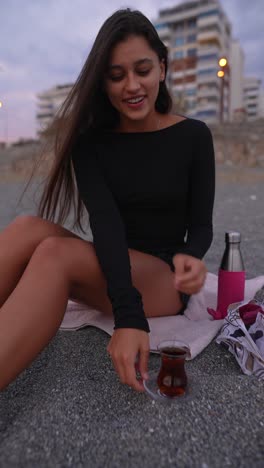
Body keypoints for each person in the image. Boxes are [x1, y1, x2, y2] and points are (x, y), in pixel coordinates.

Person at [0, 9, 215, 392]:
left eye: (143, 70)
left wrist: (192, 255)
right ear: (103, 82)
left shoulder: (194, 136)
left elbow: (200, 225)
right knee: (26, 228)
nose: (131, 85)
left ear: (162, 69)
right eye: (116, 76)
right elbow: (106, 224)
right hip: (112, 262)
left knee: (54, 254)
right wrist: (126, 309)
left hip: (164, 279)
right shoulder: (92, 143)